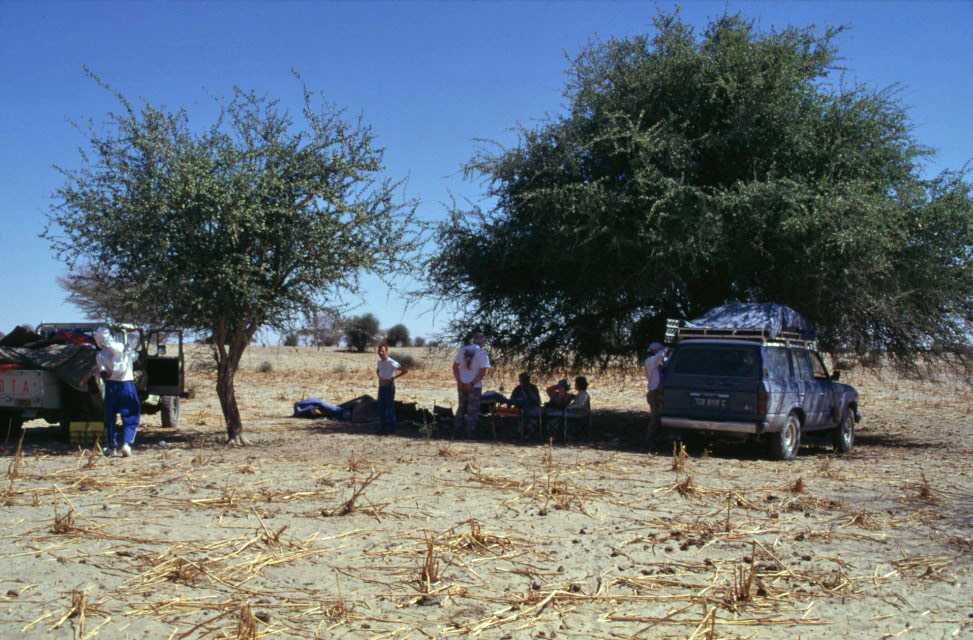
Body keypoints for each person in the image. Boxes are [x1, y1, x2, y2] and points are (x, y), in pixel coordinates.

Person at [95, 327, 141, 457]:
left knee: (110, 417)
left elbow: (103, 373)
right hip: (127, 385)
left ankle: (111, 447)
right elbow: (134, 354)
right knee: (131, 415)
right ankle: (126, 444)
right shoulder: (122, 348)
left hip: (111, 387)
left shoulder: (100, 355)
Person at [452, 332, 491, 436]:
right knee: (472, 410)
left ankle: (457, 432)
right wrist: (472, 383)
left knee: (461, 408)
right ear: (481, 340)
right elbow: (483, 371)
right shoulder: (482, 352)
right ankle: (470, 433)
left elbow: (455, 367)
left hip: (461, 384)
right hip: (474, 386)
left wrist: (459, 381)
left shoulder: (463, 349)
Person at [376, 341, 406, 434]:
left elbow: (404, 370)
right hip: (381, 388)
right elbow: (378, 370)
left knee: (390, 409)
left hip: (389, 388)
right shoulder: (379, 362)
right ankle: (382, 428)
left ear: (386, 351)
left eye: (382, 351)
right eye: (379, 351)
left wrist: (393, 378)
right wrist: (379, 376)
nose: (381, 353)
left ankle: (392, 429)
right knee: (381, 408)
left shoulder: (391, 362)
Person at [644, 342, 668, 427]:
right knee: (655, 418)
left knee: (657, 417)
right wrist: (667, 348)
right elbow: (661, 354)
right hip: (654, 392)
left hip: (655, 391)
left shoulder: (654, 362)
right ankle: (650, 438)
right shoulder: (651, 361)